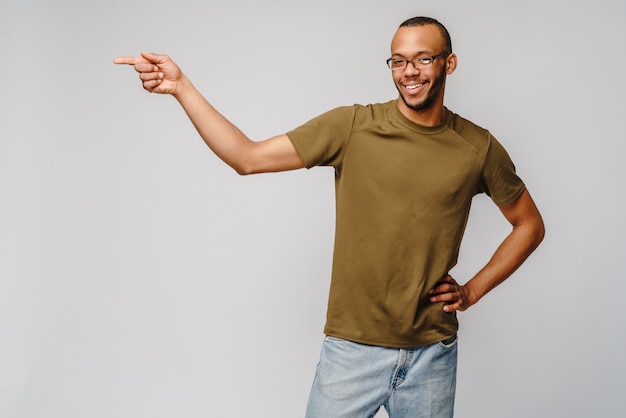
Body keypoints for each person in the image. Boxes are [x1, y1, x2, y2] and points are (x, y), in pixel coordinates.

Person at [115, 16, 544, 418]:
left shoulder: (477, 147)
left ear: (448, 63)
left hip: (433, 352)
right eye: (398, 60)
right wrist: (182, 88)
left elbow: (529, 224)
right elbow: (247, 157)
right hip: (351, 351)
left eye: (422, 59)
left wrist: (471, 291)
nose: (408, 71)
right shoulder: (353, 127)